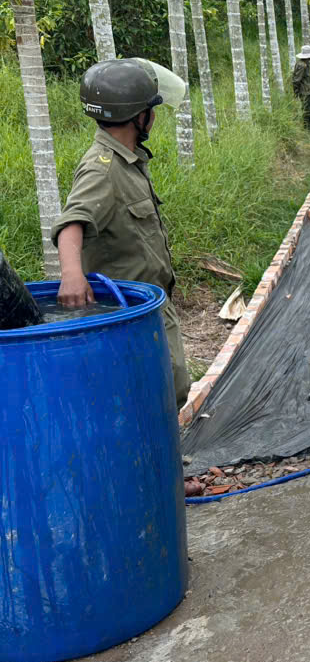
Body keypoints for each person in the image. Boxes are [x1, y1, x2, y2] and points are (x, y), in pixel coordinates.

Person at [53, 58, 193, 408]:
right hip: (127, 310)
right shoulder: (102, 169)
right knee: (160, 391)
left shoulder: (127, 160)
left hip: (150, 301)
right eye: (151, 109)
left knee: (171, 385)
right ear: (138, 117)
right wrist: (71, 276)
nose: (154, 116)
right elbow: (73, 222)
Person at [292, 45, 310, 130]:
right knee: (309, 110)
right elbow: (296, 80)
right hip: (304, 91)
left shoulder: (305, 64)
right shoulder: (302, 65)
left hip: (307, 90)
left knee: (309, 109)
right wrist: (296, 92)